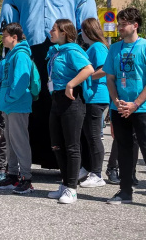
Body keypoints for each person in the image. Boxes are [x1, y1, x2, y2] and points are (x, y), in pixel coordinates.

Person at [0, 0, 97, 168]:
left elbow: (89, 33)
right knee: (33, 108)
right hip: (31, 59)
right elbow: (8, 35)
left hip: (65, 58)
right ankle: (31, 161)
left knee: (67, 108)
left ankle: (78, 164)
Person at [105, 7, 146, 211]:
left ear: (135, 25)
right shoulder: (114, 48)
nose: (120, 27)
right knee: (123, 150)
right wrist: (117, 102)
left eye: (123, 24)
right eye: (119, 24)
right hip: (120, 108)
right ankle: (125, 192)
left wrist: (135, 104)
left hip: (142, 108)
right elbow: (110, 78)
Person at [45, 19, 94, 204]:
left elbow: (88, 69)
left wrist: (70, 84)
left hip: (72, 102)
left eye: (54, 29)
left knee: (72, 146)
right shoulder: (57, 51)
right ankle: (65, 184)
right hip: (56, 100)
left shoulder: (73, 51)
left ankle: (72, 189)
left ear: (64, 32)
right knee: (57, 145)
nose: (50, 32)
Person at [0, 23, 34, 194]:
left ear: (14, 37)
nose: (3, 38)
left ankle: (26, 178)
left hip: (17, 105)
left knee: (20, 142)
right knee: (10, 142)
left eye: (5, 36)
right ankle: (13, 175)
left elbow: (21, 82)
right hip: (10, 106)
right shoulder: (12, 55)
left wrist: (9, 98)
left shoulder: (21, 55)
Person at [78, 18, 110, 188]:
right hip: (93, 96)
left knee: (93, 136)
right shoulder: (95, 47)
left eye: (82, 30)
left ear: (87, 31)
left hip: (97, 97)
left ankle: (96, 173)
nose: (80, 34)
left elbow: (104, 69)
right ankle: (87, 168)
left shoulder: (97, 47)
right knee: (87, 135)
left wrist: (85, 76)